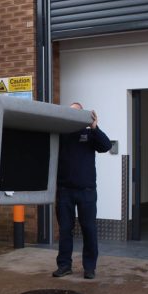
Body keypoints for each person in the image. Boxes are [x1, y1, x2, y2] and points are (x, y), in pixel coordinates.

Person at [53, 102, 112, 279]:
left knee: (89, 229)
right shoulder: (61, 134)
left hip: (86, 191)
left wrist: (94, 127)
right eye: (70, 113)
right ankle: (64, 265)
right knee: (65, 229)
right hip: (65, 191)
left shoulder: (89, 133)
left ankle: (89, 267)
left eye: (77, 113)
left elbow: (106, 146)